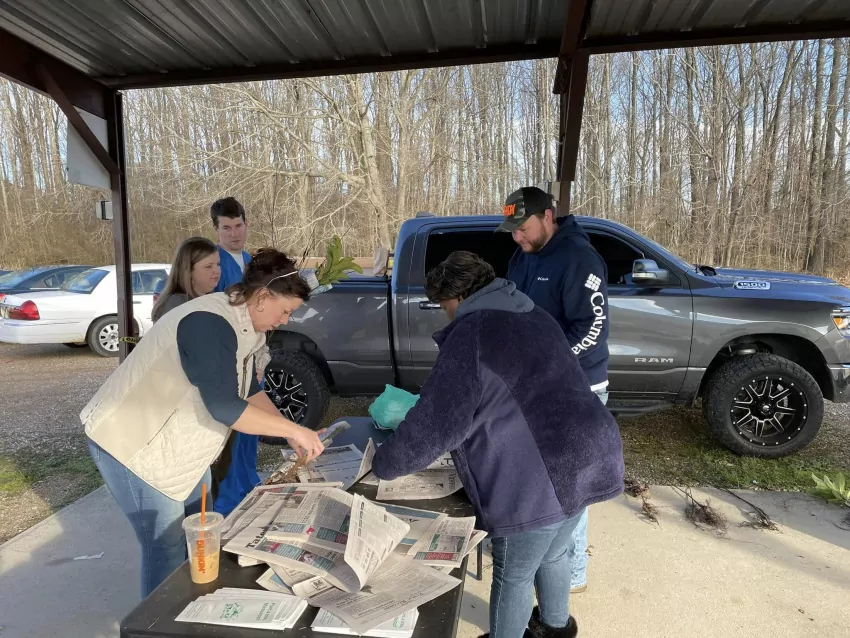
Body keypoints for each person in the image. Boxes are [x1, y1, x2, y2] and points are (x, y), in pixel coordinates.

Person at [371, 251, 624, 638]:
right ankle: (555, 627)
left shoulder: (471, 334)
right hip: (592, 453)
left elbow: (437, 423)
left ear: (459, 297)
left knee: (514, 574)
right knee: (554, 552)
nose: (447, 316)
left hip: (543, 474)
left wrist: (385, 463)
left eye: (445, 306)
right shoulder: (535, 313)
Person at [81, 249, 325, 598]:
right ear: (262, 297)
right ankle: (156, 620)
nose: (285, 320)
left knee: (199, 533)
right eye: (285, 311)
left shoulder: (244, 325)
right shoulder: (209, 322)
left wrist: (290, 433)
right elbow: (225, 406)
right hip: (132, 443)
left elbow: (248, 390)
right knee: (165, 545)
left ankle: (188, 604)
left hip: (178, 444)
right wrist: (294, 429)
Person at [502, 186, 610, 595]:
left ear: (548, 216)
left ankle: (573, 573)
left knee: (572, 485)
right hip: (536, 384)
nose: (517, 237)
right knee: (546, 479)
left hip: (577, 388)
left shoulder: (579, 258)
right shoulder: (523, 255)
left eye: (523, 228)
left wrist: (546, 360)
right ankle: (547, 563)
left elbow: (592, 329)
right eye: (513, 230)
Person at [208, 197, 262, 517]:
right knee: (231, 432)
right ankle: (227, 502)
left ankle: (249, 485)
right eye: (226, 228)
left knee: (250, 431)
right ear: (216, 229)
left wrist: (261, 357)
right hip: (229, 360)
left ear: (246, 223)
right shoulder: (213, 265)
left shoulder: (252, 263)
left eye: (238, 225)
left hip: (253, 356)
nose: (234, 233)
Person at [151, 237, 220, 322]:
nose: (217, 271)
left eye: (218, 264)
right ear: (188, 270)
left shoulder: (211, 299)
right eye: (208, 266)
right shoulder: (176, 305)